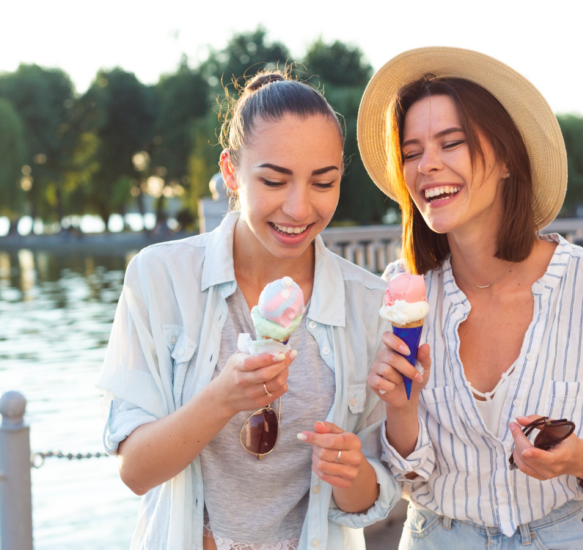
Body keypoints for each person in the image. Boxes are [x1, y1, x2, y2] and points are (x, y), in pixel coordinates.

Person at [358, 48, 583, 549]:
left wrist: (578, 458)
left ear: (504, 157)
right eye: (411, 152)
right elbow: (405, 476)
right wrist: (400, 409)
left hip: (562, 535)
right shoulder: (403, 292)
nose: (427, 166)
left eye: (450, 143)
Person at [96, 71, 400, 550]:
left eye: (324, 182)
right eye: (275, 180)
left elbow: (367, 503)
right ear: (232, 171)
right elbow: (135, 471)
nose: (299, 209)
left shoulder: (366, 303)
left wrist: (352, 469)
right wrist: (223, 398)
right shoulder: (160, 278)